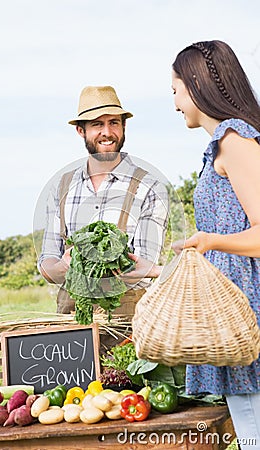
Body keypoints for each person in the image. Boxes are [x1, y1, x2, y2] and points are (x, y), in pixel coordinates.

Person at [127, 40, 260, 449]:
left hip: (249, 311)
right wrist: (159, 268)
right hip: (235, 306)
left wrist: (210, 240)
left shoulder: (234, 140)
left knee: (253, 431)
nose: (175, 104)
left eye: (175, 90)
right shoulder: (224, 143)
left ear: (197, 85)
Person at [37, 85, 169, 319]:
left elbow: (145, 264)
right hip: (72, 315)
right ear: (81, 131)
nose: (107, 132)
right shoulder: (61, 187)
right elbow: (47, 262)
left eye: (114, 123)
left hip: (127, 316)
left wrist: (109, 263)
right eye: (97, 124)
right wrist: (64, 267)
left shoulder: (149, 187)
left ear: (124, 126)